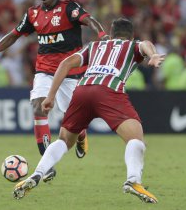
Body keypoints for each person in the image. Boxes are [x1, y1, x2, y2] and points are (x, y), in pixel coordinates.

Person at [13, 18, 165, 204]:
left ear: (111, 33)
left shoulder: (95, 46)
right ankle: (133, 180)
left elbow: (65, 64)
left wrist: (50, 96)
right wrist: (153, 55)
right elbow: (146, 44)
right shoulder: (132, 46)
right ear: (131, 35)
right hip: (109, 92)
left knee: (64, 140)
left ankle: (37, 173)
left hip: (82, 90)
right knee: (136, 140)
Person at [0, 0, 109, 182]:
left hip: (71, 73)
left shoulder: (68, 8)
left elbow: (90, 20)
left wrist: (103, 36)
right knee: (38, 107)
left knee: (74, 122)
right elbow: (14, 34)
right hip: (45, 71)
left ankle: (81, 134)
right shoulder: (32, 14)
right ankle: (47, 165)